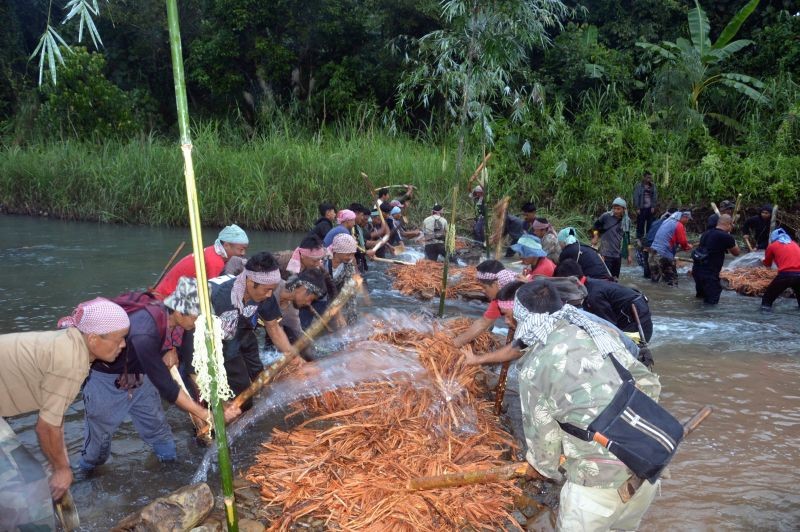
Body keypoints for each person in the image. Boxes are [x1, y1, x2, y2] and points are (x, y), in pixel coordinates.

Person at [470, 280, 662, 530]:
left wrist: (543, 466)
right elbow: (648, 383)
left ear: (524, 317)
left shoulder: (535, 365)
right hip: (647, 467)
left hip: (595, 487)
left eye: (510, 316)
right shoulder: (595, 331)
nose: (507, 323)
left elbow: (543, 440)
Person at [79, 278, 239, 473]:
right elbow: (167, 387)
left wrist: (167, 348)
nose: (199, 323)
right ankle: (85, 474)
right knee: (99, 441)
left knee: (158, 429)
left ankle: (170, 467)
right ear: (180, 312)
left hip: (139, 375)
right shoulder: (144, 332)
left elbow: (165, 345)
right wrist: (206, 415)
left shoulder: (166, 314)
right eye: (197, 317)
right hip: (106, 378)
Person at [0, 298, 129, 530]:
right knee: (26, 486)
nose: (123, 345)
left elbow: (54, 420)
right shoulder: (72, 362)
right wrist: (61, 469)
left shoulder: (71, 344)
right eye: (119, 339)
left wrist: (60, 461)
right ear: (93, 338)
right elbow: (46, 427)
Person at [211, 253, 296, 395]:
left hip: (244, 330)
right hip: (220, 336)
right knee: (239, 382)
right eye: (266, 290)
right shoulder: (222, 298)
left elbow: (273, 327)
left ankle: (262, 392)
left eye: (272, 290)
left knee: (258, 371)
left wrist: (292, 355)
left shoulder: (265, 293)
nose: (270, 295)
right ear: (250, 282)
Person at [555, 259, 653, 341]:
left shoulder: (594, 296)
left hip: (639, 331)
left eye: (563, 286)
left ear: (572, 280)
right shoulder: (590, 285)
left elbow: (610, 327)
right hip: (637, 321)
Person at [154, 224, 249, 298]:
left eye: (245, 249)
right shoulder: (215, 262)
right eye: (241, 249)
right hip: (167, 298)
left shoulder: (212, 250)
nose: (243, 253)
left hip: (165, 292)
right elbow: (214, 293)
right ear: (227, 245)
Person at [452, 260, 518, 348]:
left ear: (496, 284)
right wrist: (454, 344)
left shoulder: (521, 295)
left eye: (484, 287)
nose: (483, 291)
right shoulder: (499, 298)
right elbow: (483, 323)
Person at [269, 269, 330, 357]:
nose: (308, 304)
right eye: (310, 299)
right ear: (304, 290)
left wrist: (321, 353)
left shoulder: (292, 311)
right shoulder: (271, 287)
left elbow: (300, 336)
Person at [693, 214, 741, 305]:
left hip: (697, 270)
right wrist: (732, 239)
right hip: (710, 273)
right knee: (711, 303)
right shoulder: (726, 237)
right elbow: (736, 253)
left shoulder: (706, 233)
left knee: (700, 299)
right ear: (729, 224)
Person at [592, 197, 632, 279]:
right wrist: (595, 236)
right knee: (605, 278)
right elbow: (595, 227)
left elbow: (627, 239)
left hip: (617, 255)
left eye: (618, 209)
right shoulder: (606, 216)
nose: (615, 211)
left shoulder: (627, 221)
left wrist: (629, 255)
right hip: (605, 254)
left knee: (615, 279)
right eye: (614, 208)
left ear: (624, 210)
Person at [649, 211, 693, 286]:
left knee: (655, 281)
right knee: (672, 282)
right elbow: (683, 242)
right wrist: (688, 247)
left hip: (653, 253)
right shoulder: (679, 225)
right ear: (684, 217)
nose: (688, 221)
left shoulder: (666, 221)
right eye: (688, 219)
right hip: (665, 255)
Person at [761, 228, 800, 310]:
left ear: (773, 238)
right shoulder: (794, 244)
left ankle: (764, 319)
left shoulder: (772, 246)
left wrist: (762, 260)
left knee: (767, 300)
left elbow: (767, 264)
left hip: (785, 275)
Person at [327, 233, 360, 325]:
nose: (350, 258)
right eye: (348, 254)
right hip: (319, 297)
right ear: (337, 251)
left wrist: (352, 324)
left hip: (335, 295)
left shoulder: (348, 265)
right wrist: (338, 314)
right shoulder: (323, 261)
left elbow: (350, 293)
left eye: (353, 254)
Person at [633, 171, 658, 240]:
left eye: (650, 178)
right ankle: (639, 236)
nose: (649, 179)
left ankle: (648, 236)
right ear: (644, 177)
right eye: (647, 178)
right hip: (641, 207)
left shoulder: (652, 186)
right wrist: (637, 208)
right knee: (640, 222)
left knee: (650, 223)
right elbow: (636, 197)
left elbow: (655, 196)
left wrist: (653, 206)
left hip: (650, 208)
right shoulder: (639, 186)